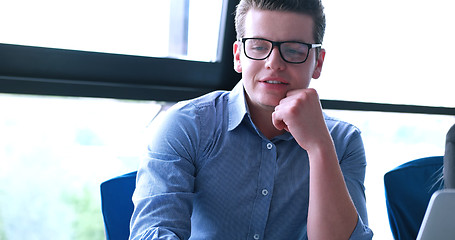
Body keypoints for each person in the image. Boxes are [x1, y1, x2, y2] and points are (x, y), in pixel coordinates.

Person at [129, 0, 373, 239]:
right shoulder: (187, 125)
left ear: (317, 63)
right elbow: (152, 233)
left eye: (293, 50)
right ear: (238, 56)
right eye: (258, 47)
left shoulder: (343, 142)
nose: (274, 63)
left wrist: (319, 147)